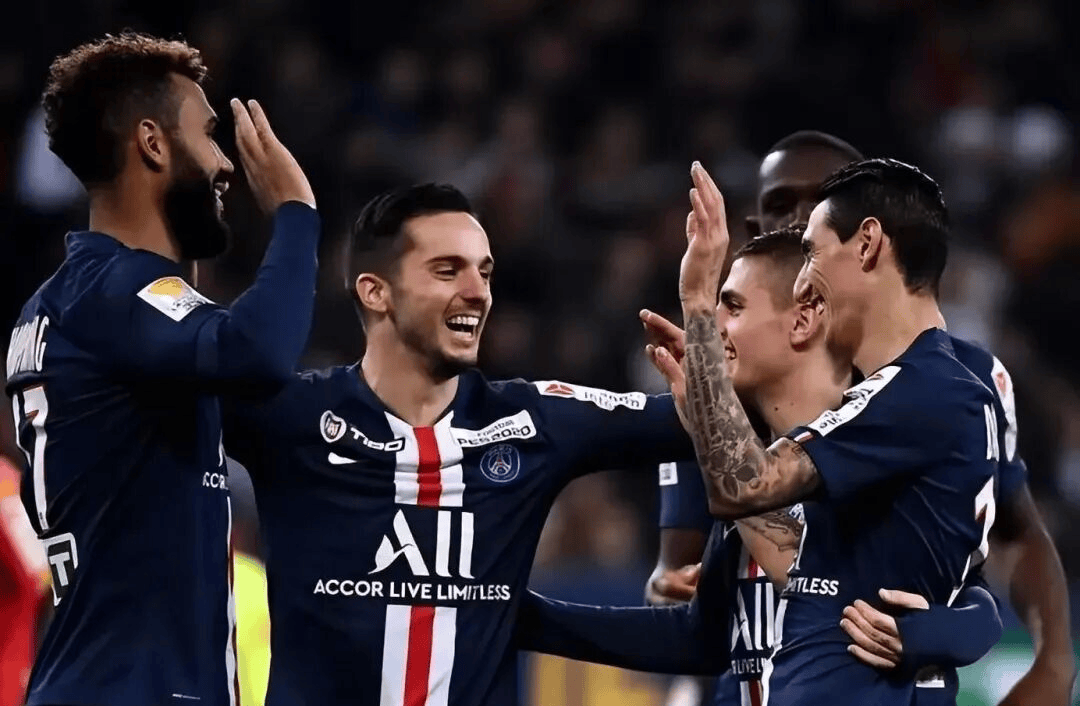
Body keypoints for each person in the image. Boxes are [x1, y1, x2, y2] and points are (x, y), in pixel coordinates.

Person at [221, 182, 695, 706]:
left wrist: (705, 331)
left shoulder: (530, 421)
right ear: (375, 292)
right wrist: (293, 217)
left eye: (484, 272)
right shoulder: (294, 417)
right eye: (448, 271)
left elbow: (701, 420)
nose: (478, 292)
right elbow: (179, 377)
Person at [649, 132, 1075, 706]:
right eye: (781, 206)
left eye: (814, 232)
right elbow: (705, 577)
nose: (797, 227)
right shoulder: (733, 379)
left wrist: (1046, 657)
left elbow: (993, 551)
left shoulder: (943, 383)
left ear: (869, 241)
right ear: (754, 227)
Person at [513, 228, 1002, 702]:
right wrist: (525, 618)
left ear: (803, 320)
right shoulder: (736, 462)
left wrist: (952, 628)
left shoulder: (881, 443)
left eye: (734, 306)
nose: (713, 329)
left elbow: (965, 589)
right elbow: (700, 637)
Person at [4, 32, 319, 706]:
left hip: (87, 676)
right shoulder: (117, 292)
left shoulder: (61, 304)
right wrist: (296, 213)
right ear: (152, 143)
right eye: (208, 134)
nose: (225, 162)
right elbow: (257, 354)